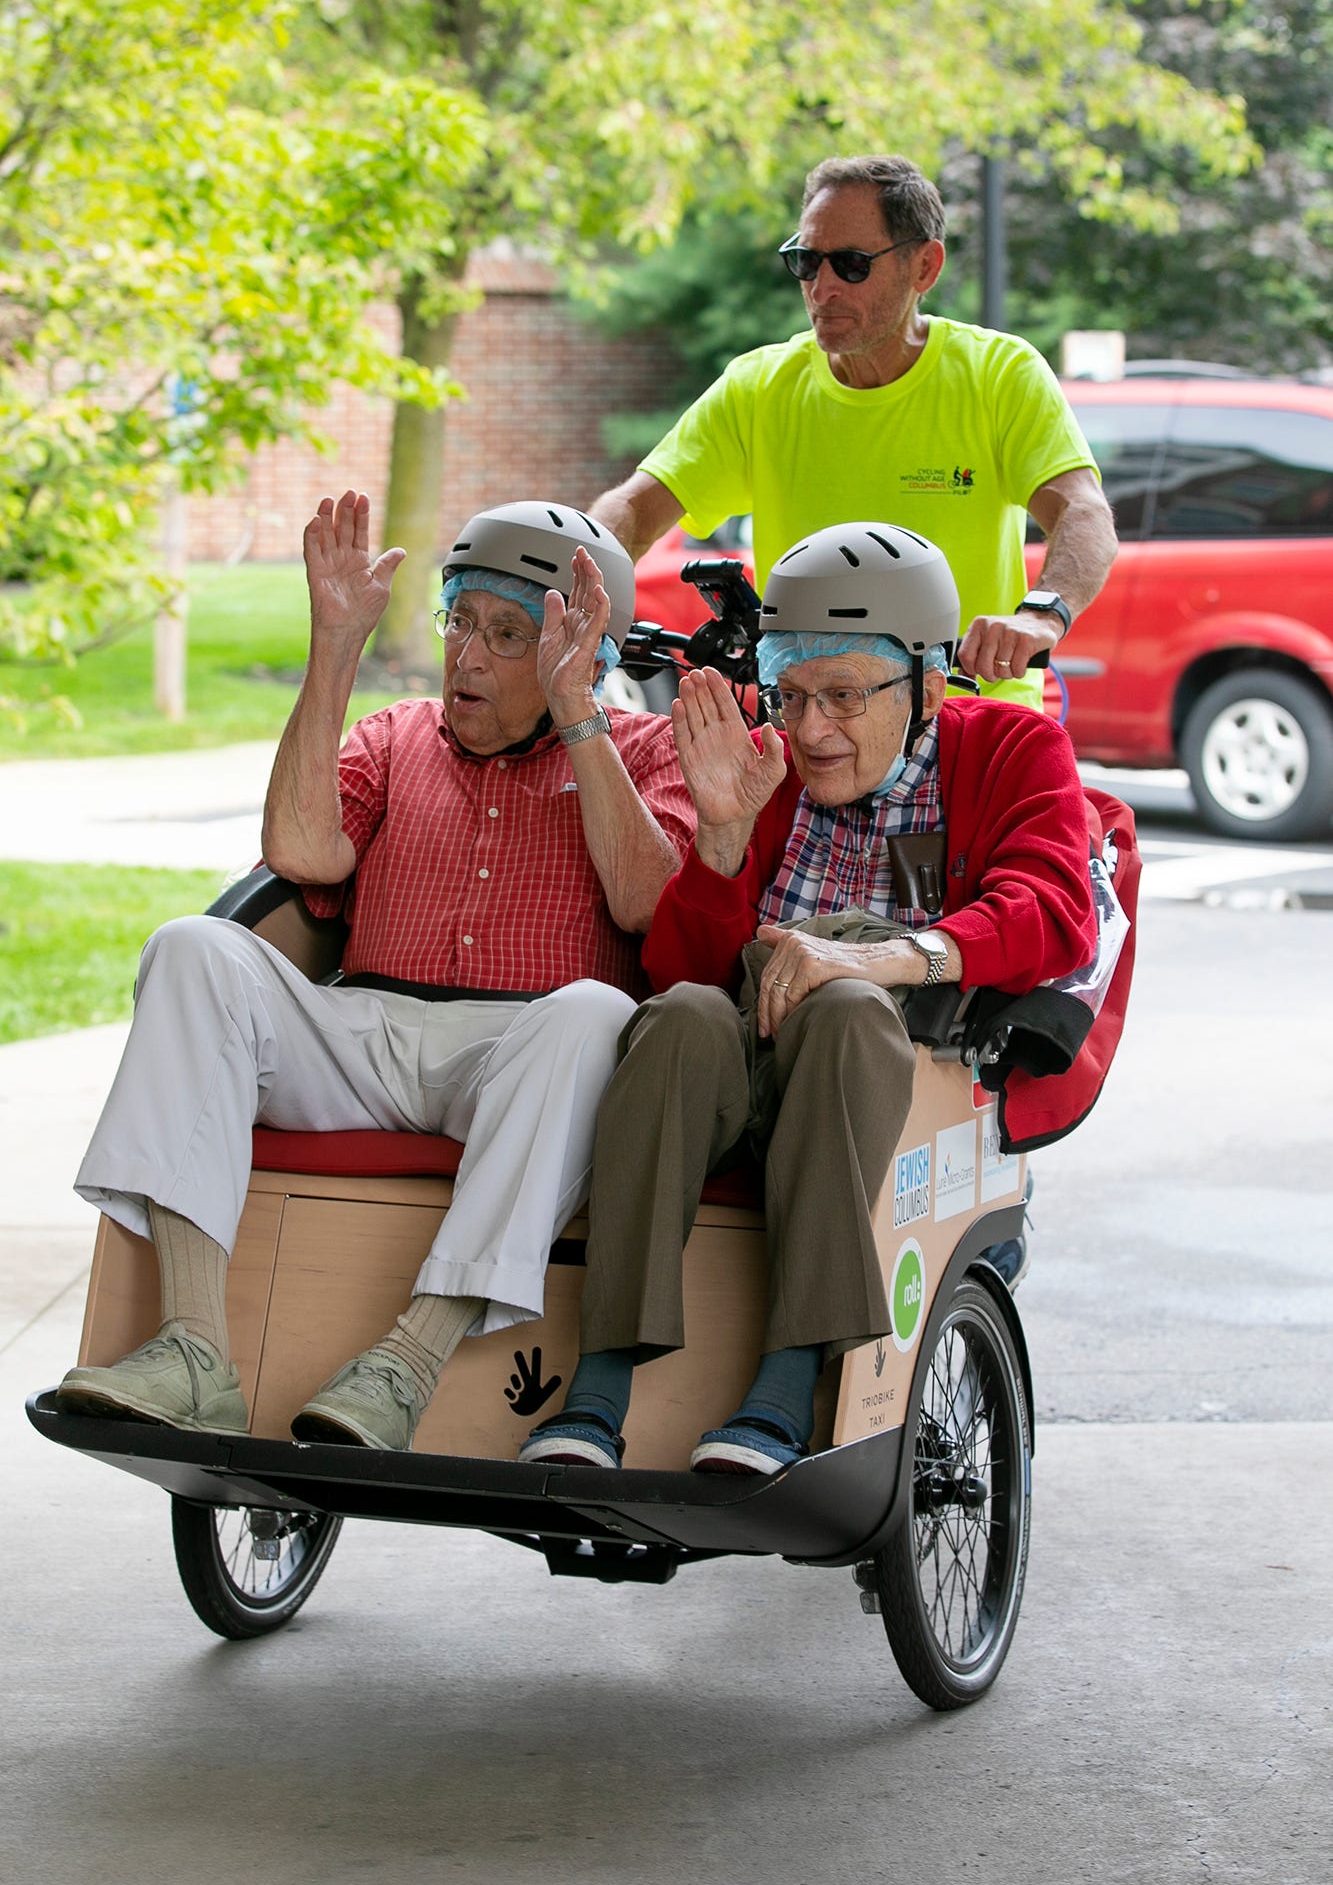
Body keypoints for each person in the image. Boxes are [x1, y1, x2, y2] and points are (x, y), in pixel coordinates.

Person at [57, 493, 694, 1450]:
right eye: (462, 623)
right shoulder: (397, 735)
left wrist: (576, 721)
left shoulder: (645, 751)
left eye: (510, 637)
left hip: (523, 1053)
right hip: (366, 1028)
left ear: (586, 658)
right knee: (191, 947)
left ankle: (407, 1363)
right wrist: (335, 649)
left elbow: (650, 903)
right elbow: (301, 849)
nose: (468, 657)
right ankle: (190, 1349)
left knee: (597, 1014)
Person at [521, 520, 1099, 1475]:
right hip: (745, 1054)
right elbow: (681, 970)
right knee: (674, 1017)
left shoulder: (1009, 747)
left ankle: (786, 1386)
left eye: (842, 696)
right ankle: (599, 1386)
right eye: (788, 695)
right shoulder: (767, 763)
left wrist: (881, 961)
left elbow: (1049, 909)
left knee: (840, 1009)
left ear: (924, 681)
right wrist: (718, 836)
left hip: (890, 1070)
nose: (810, 728)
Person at [589, 153, 1117, 707]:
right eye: (806, 262)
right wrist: (567, 596)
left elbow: (1083, 513)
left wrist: (1042, 614)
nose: (822, 288)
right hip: (815, 732)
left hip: (974, 726)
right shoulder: (758, 387)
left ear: (925, 269)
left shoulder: (1000, 374)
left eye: (850, 264)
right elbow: (630, 512)